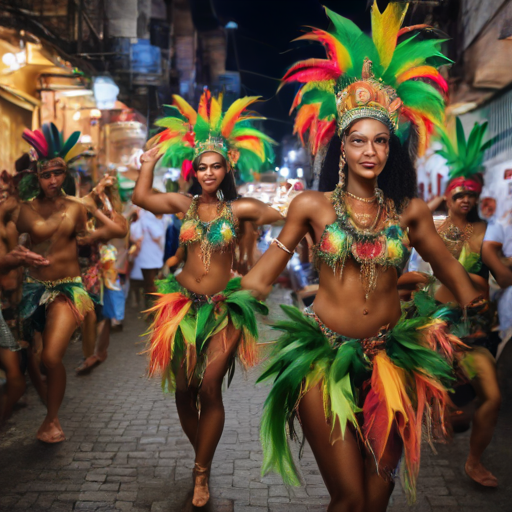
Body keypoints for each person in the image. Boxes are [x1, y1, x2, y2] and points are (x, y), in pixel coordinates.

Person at [241, 4, 482, 511]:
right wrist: (228, 300)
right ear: (341, 147)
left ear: (391, 148)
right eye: (358, 141)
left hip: (391, 360)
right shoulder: (312, 205)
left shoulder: (410, 213)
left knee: (378, 493)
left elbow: (461, 287)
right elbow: (263, 276)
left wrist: (445, 311)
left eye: (380, 141)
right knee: (349, 498)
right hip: (322, 357)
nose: (370, 151)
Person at [133, 89, 281, 507]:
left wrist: (300, 201)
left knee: (210, 386)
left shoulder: (242, 209)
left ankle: (201, 473)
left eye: (216, 166)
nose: (209, 172)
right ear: (195, 170)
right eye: (203, 166)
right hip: (181, 305)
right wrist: (147, 164)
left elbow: (292, 217)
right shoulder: (184, 205)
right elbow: (141, 198)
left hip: (224, 308)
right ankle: (204, 452)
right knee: (184, 389)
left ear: (226, 167)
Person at [400, 119, 501, 487]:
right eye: (458, 194)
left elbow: (497, 281)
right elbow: (393, 251)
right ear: (448, 195)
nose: (465, 200)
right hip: (429, 328)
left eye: (470, 195)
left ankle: (474, 461)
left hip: (470, 331)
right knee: (408, 397)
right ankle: (389, 456)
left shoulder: (488, 234)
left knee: (491, 395)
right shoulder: (432, 228)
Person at [14, 123, 95, 443]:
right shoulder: (24, 210)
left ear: (66, 174)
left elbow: (86, 243)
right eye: (46, 174)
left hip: (68, 288)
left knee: (50, 357)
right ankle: (44, 402)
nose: (52, 180)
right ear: (36, 176)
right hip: (34, 289)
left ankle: (52, 418)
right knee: (30, 356)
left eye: (58, 173)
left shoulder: (77, 208)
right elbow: (11, 242)